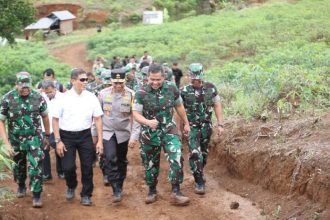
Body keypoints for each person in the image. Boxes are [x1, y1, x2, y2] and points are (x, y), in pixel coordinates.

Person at [132, 64, 191, 206]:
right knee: (150, 164)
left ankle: (176, 191)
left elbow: (179, 106)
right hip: (149, 134)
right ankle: (152, 191)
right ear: (148, 77)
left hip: (169, 130)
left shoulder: (171, 88)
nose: (155, 82)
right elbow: (135, 114)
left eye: (158, 79)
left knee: (176, 157)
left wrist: (186, 123)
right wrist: (147, 122)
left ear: (163, 77)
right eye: (152, 79)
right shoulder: (140, 92)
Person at [52, 68, 103, 206]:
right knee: (68, 167)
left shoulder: (91, 97)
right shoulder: (63, 98)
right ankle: (71, 185)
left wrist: (99, 141)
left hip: (85, 135)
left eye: (86, 79)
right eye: (82, 80)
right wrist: (58, 141)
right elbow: (55, 120)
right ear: (73, 81)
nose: (85, 82)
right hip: (66, 136)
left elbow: (98, 119)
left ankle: (86, 194)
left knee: (87, 167)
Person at [0, 72, 50, 208]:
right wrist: (6, 143)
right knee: (18, 166)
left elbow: (45, 117)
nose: (25, 88)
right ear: (16, 84)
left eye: (27, 86)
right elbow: (1, 121)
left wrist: (46, 135)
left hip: (34, 139)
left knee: (36, 165)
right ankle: (21, 185)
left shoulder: (38, 98)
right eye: (22, 86)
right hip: (15, 140)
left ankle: (36, 194)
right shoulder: (7, 98)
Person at [180, 63, 224, 195]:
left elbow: (217, 105)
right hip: (191, 126)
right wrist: (179, 128)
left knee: (203, 154)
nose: (195, 80)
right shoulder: (183, 91)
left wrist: (220, 124)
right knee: (195, 153)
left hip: (206, 126)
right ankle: (199, 181)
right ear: (189, 76)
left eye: (197, 77)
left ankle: (200, 171)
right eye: (193, 77)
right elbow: (179, 110)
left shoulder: (211, 88)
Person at [98, 68, 139, 203]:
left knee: (121, 160)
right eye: (115, 83)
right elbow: (97, 117)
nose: (118, 86)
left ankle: (119, 185)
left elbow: (135, 117)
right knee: (110, 158)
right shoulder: (102, 94)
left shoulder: (132, 95)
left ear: (125, 81)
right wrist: (95, 136)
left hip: (123, 133)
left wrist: (134, 136)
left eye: (121, 83)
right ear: (111, 81)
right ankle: (115, 188)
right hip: (107, 132)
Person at [40, 80, 65, 181]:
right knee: (44, 150)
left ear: (55, 89)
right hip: (44, 127)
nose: (49, 94)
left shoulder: (63, 98)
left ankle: (61, 171)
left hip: (58, 128)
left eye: (50, 92)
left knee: (59, 149)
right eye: (46, 93)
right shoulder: (41, 97)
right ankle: (46, 173)